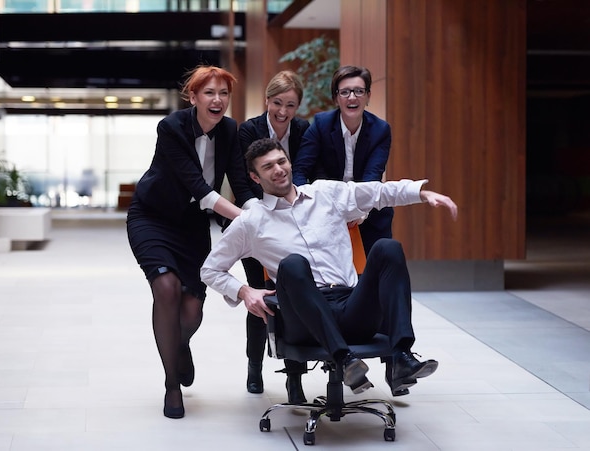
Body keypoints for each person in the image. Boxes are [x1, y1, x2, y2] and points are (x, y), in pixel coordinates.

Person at [201, 138, 457, 397]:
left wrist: (421, 194)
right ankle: (344, 361)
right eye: (268, 167)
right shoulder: (251, 222)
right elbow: (210, 269)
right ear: (255, 178)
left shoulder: (325, 194)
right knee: (292, 264)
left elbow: (377, 193)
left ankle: (402, 356)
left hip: (351, 306)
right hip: (304, 321)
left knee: (387, 248)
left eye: (281, 161)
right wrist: (245, 291)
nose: (278, 169)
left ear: (290, 163)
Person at [126, 65, 256, 419]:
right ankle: (171, 385)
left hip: (192, 226)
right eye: (210, 93)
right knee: (166, 287)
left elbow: (240, 183)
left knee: (192, 310)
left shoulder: (231, 131)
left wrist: (258, 209)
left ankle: (179, 345)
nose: (218, 100)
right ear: (194, 97)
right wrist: (246, 219)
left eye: (224, 94)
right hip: (152, 217)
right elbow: (198, 187)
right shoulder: (171, 127)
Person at [237, 70, 310, 402]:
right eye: (278, 103)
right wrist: (260, 211)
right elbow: (241, 179)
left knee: (295, 299)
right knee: (262, 299)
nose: (283, 111)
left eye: (291, 105)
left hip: (295, 224)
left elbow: (306, 171)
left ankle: (294, 378)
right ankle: (255, 366)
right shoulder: (248, 130)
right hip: (257, 224)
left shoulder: (305, 130)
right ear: (267, 100)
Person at [292, 65, 394, 255]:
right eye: (345, 92)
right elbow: (300, 170)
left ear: (368, 96)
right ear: (336, 98)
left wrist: (359, 211)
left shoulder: (380, 130)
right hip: (326, 209)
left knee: (375, 270)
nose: (352, 97)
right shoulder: (321, 124)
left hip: (367, 209)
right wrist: (305, 204)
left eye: (359, 91)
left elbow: (372, 176)